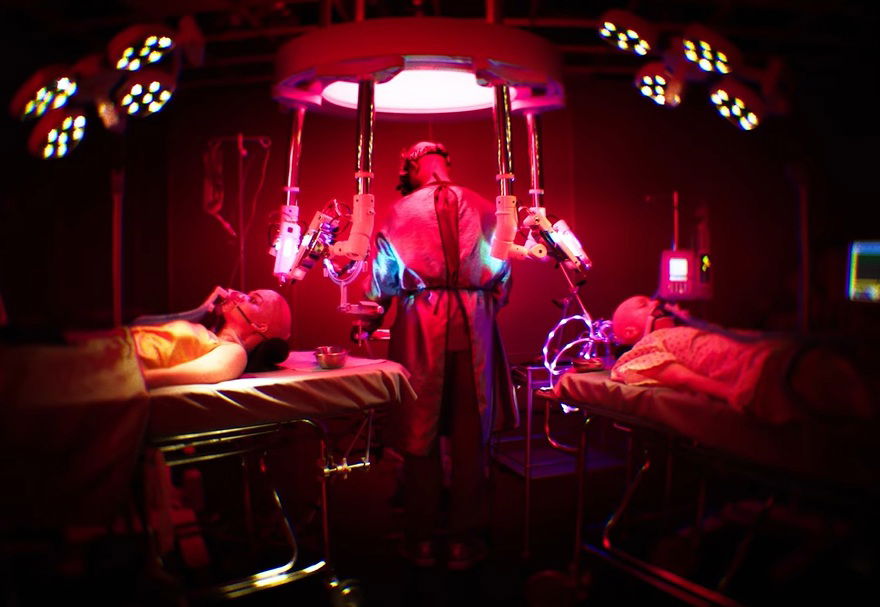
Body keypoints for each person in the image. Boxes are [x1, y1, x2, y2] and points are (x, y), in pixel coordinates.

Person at [363, 141, 516, 569]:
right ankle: (464, 541)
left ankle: (421, 540)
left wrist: (369, 319)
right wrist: (481, 302)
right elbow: (504, 275)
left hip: (421, 326)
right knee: (470, 439)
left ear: (412, 167)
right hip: (475, 328)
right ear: (446, 161)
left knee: (420, 437)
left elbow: (382, 283)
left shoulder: (398, 212)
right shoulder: (486, 207)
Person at [609, 294, 874, 423]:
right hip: (759, 371)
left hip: (765, 352)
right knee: (840, 381)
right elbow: (681, 376)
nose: (656, 301)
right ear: (630, 331)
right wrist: (732, 393)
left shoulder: (680, 331)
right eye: (644, 304)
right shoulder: (647, 346)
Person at [132, 286, 291, 389]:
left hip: (126, 364)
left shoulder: (235, 352)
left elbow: (162, 378)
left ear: (260, 326)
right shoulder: (210, 335)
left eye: (253, 300)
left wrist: (129, 381)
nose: (239, 295)